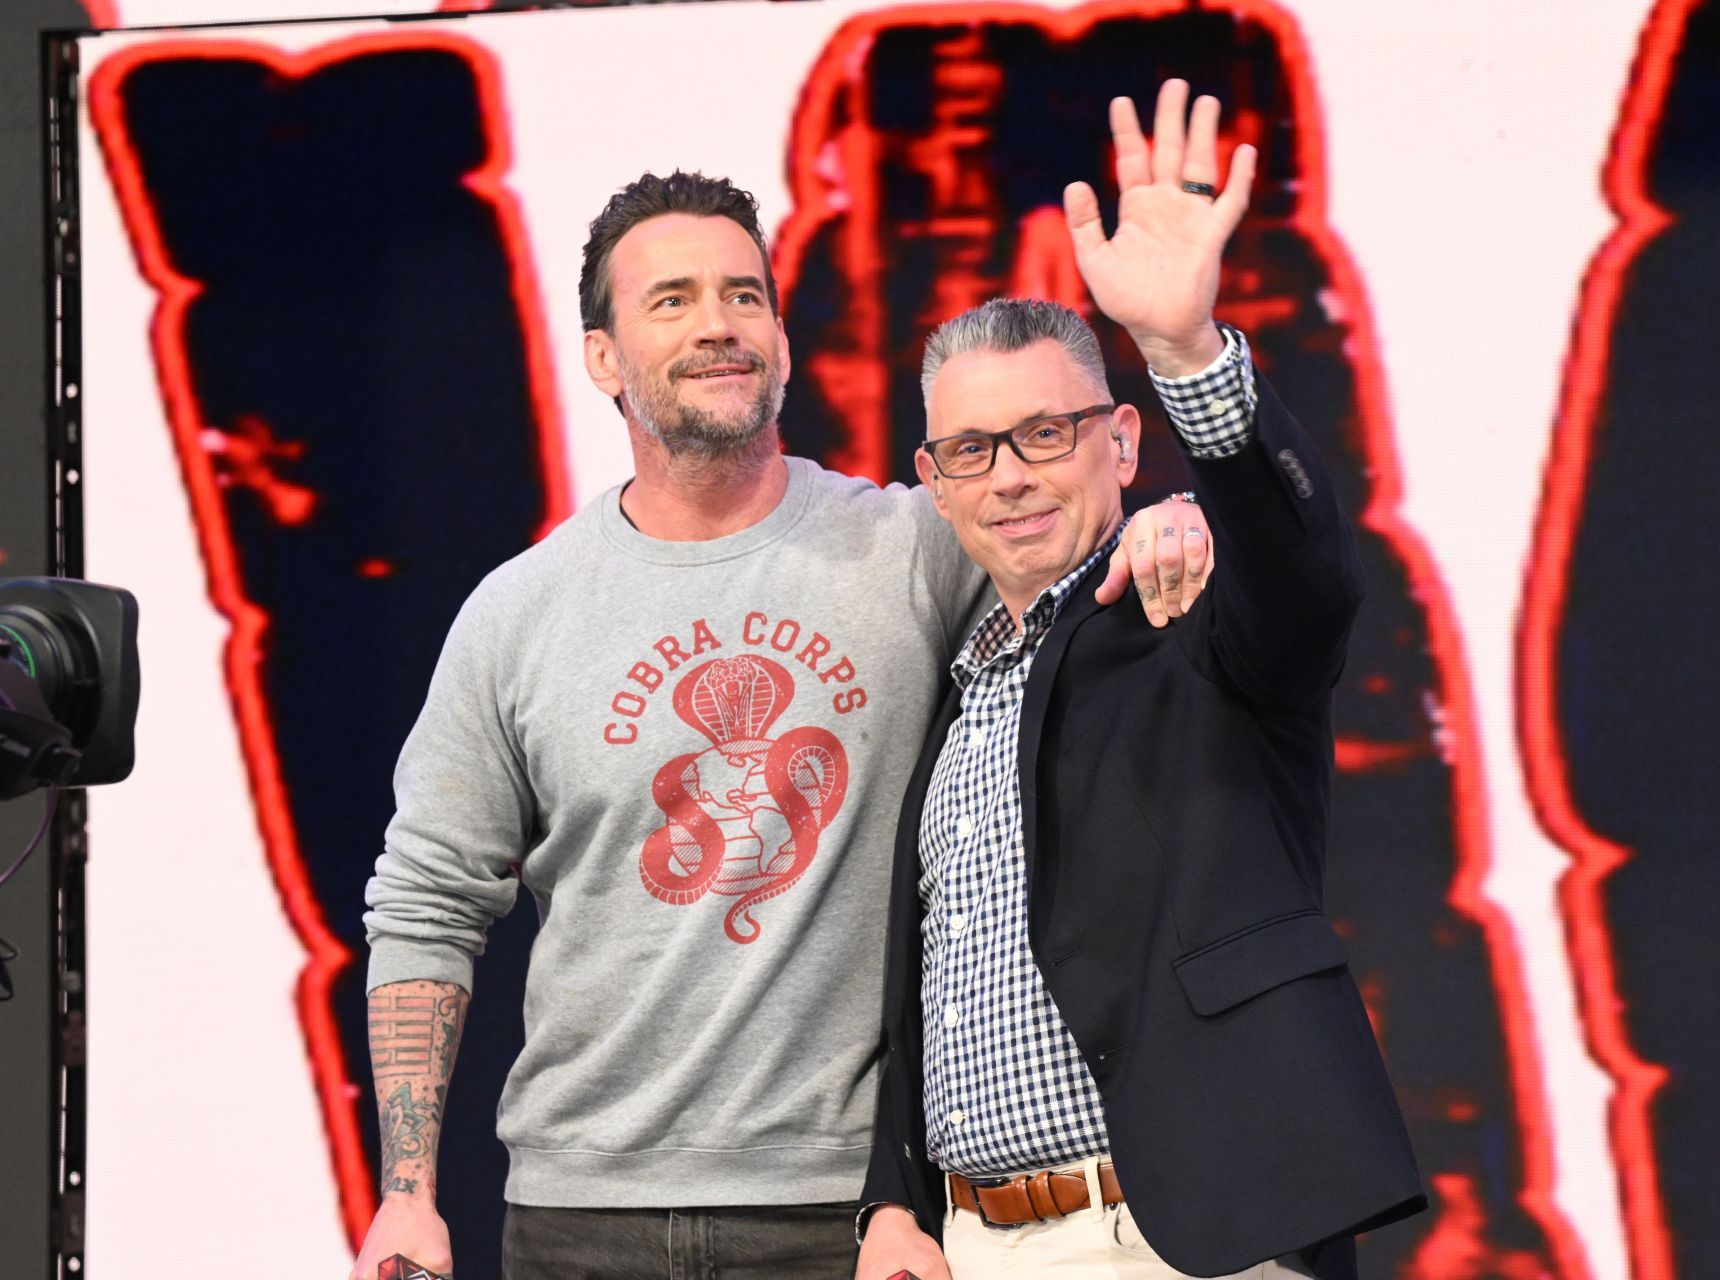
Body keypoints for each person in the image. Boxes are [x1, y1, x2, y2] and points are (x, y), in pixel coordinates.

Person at [349, 170, 1212, 1280]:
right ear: (603, 357)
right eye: (671, 299)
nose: (717, 322)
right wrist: (406, 1192)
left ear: (783, 338)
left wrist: (1179, 514)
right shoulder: (517, 613)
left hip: (857, 1213)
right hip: (579, 1213)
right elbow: (426, 899)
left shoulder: (915, 541)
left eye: (744, 294)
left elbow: (1068, 524)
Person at [852, 81, 1426, 1280]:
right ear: (935, 482)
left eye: (1044, 435)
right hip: (977, 1241)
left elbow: (1303, 577)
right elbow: (933, 984)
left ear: (1120, 439)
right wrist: (894, 1202)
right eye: (972, 450)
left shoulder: (1189, 608)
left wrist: (1182, 349)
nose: (1008, 475)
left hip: (1184, 1239)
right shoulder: (956, 703)